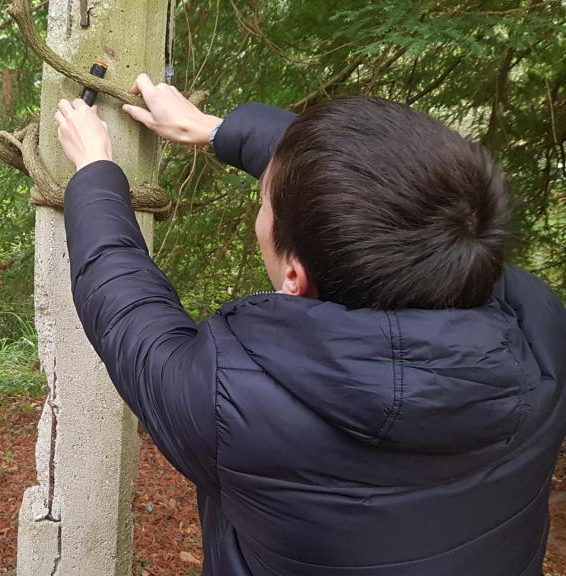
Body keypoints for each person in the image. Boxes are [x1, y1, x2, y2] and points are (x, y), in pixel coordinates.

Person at [53, 74, 566, 575]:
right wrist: (217, 129)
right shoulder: (537, 328)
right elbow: (391, 188)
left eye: (265, 204)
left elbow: (126, 306)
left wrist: (94, 169)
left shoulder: (235, 405)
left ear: (294, 276)